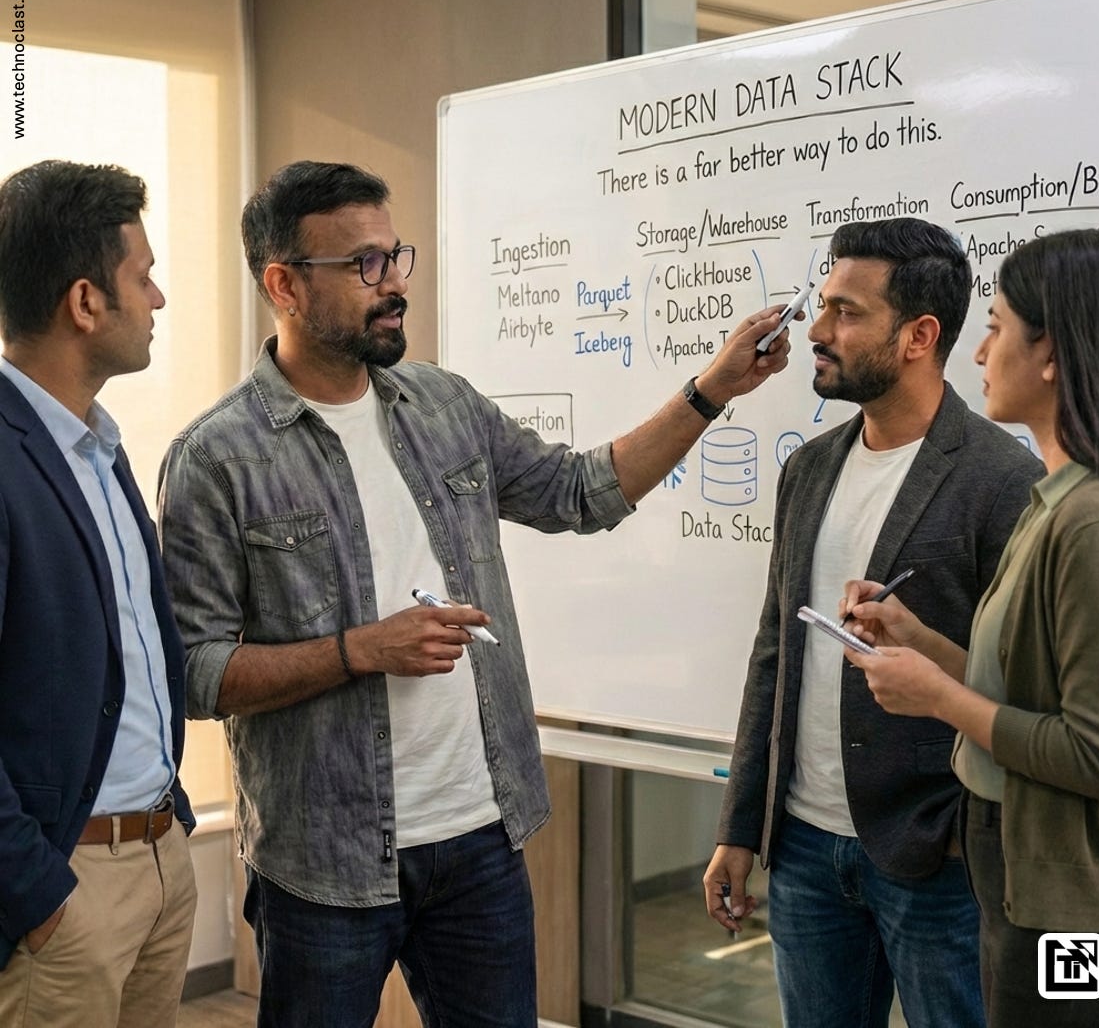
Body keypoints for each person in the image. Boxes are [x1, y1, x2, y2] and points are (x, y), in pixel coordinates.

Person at [156, 159, 793, 1028]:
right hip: (325, 861)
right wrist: (359, 650)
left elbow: (579, 492)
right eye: (364, 265)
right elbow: (197, 674)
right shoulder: (216, 458)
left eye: (395, 256)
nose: (394, 284)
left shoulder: (442, 404)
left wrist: (711, 388)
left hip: (478, 837)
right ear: (284, 285)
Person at [703, 217, 1044, 1028]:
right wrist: (741, 824)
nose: (815, 330)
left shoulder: (1004, 479)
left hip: (937, 855)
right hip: (802, 848)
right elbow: (774, 650)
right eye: (822, 305)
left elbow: (1024, 683)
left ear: (918, 335)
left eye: (845, 312)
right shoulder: (808, 468)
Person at [843, 229, 1099, 1027]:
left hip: (1070, 908)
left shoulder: (1094, 520)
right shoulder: (1053, 500)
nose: (978, 352)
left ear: (1051, 354)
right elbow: (1025, 691)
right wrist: (919, 642)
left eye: (997, 327)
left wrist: (936, 697)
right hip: (1017, 875)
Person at [0, 160, 197, 1028]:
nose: (158, 298)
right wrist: (39, 895)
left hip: (157, 860)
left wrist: (172, 823)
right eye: (142, 276)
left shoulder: (100, 446)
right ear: (85, 302)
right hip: (67, 893)